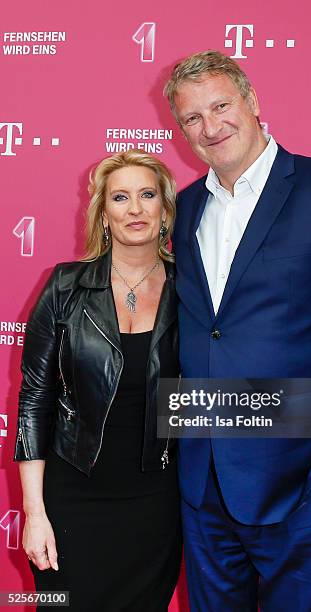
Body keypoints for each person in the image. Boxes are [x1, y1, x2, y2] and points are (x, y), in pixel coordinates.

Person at [164, 50, 311, 611]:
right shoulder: (186, 208)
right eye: (192, 118)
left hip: (307, 486)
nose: (210, 126)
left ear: (252, 103)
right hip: (203, 490)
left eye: (221, 106)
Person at [14, 150, 182, 611]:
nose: (135, 209)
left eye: (147, 195)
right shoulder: (65, 286)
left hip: (156, 502)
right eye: (120, 197)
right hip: (71, 500)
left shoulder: (192, 292)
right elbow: (34, 402)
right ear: (104, 214)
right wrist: (35, 514)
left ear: (165, 210)